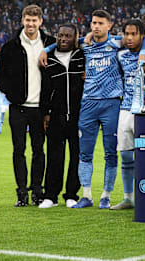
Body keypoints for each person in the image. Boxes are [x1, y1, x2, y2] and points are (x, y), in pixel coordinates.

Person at [0, 4, 56, 207]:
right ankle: (21, 193)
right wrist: (12, 95)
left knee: (39, 150)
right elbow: (0, 75)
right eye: (27, 20)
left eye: (34, 20)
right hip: (18, 107)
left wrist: (49, 106)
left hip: (40, 108)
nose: (30, 24)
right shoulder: (11, 46)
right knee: (18, 150)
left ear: (40, 21)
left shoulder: (50, 44)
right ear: (23, 20)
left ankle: (37, 191)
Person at [38, 23, 84, 209]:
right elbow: (45, 89)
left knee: (77, 157)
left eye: (68, 36)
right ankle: (51, 196)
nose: (63, 39)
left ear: (75, 38)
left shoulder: (82, 56)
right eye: (60, 35)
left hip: (79, 116)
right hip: (55, 116)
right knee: (54, 156)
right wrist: (46, 114)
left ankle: (71, 194)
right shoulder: (48, 58)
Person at [110, 19, 145, 210]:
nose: (130, 38)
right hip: (126, 109)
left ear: (142, 36)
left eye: (134, 34)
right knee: (125, 154)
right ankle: (128, 197)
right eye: (127, 34)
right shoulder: (121, 54)